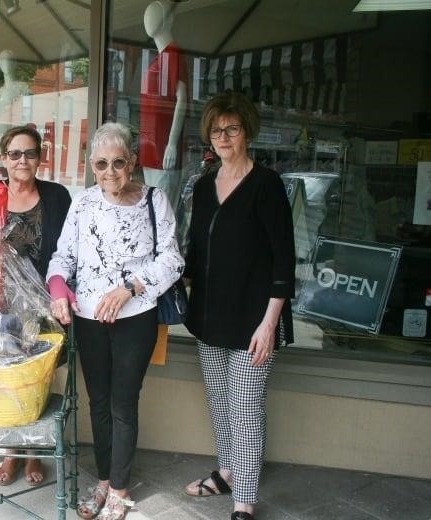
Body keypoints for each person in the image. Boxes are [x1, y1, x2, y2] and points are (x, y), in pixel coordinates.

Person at [47, 122, 184, 520]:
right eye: (102, 163)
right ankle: (105, 480)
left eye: (119, 162)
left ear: (133, 163)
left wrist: (130, 288)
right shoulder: (82, 202)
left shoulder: (154, 201)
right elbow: (63, 258)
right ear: (92, 165)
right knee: (99, 402)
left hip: (135, 317)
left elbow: (173, 259)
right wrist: (58, 289)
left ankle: (119, 491)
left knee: (124, 403)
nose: (111, 171)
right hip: (88, 319)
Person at [182, 91, 295, 520]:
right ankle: (228, 471)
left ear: (247, 131)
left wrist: (269, 324)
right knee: (219, 401)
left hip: (253, 321)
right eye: (216, 130)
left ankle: (243, 500)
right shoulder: (204, 186)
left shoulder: (266, 185)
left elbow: (284, 262)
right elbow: (195, 254)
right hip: (209, 317)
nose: (224, 137)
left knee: (246, 408)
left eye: (232, 128)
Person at [0, 124, 72, 487]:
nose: (22, 160)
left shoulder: (57, 196)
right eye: (14, 154)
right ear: (3, 158)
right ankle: (11, 453)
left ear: (40, 158)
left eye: (29, 153)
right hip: (2, 306)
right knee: (7, 382)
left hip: (45, 308)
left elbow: (68, 250)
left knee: (40, 382)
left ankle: (34, 453)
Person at [140, 0, 189, 210]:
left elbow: (182, 101)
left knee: (164, 214)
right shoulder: (161, 57)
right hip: (150, 150)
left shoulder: (173, 55)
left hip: (163, 153)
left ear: (169, 19)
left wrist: (171, 143)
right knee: (153, 211)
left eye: (155, 14)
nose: (148, 20)